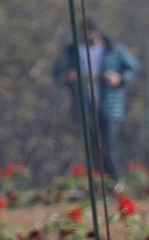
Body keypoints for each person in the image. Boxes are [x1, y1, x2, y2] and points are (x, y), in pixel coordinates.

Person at [54, 21, 141, 178]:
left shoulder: (114, 49)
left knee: (108, 144)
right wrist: (67, 77)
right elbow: (57, 74)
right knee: (92, 148)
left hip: (110, 106)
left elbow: (134, 68)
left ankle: (116, 180)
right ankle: (101, 179)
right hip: (84, 107)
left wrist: (119, 78)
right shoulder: (71, 52)